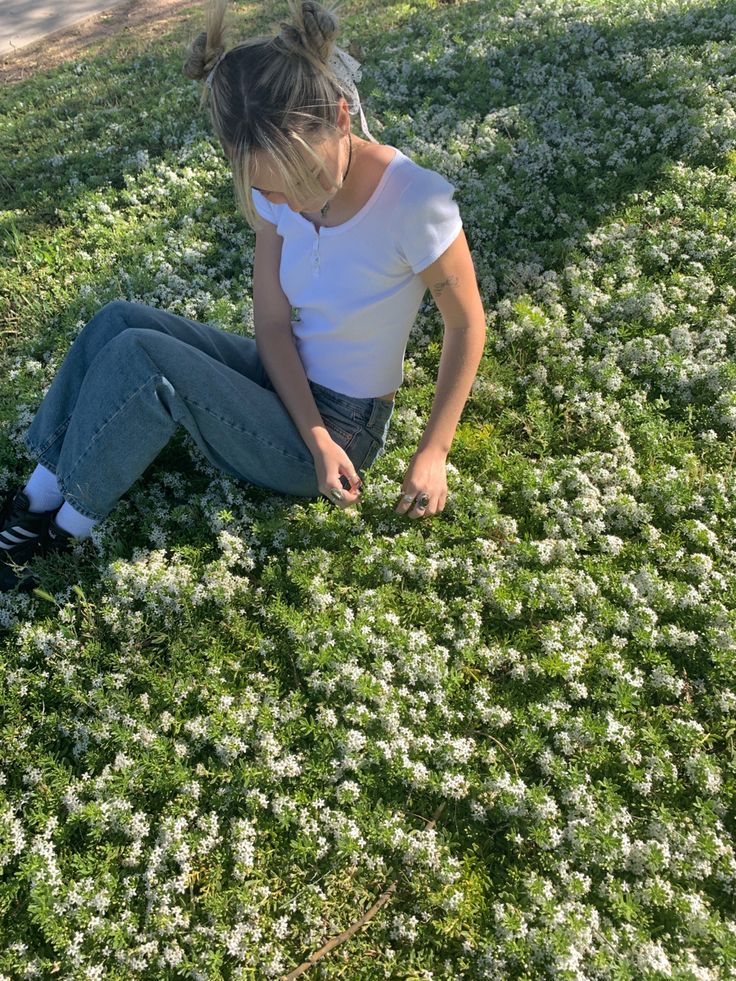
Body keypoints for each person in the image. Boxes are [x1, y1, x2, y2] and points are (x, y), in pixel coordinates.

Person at [0, 0, 486, 592]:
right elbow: (274, 326)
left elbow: (466, 325)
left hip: (347, 433)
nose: (288, 204)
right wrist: (310, 429)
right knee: (117, 320)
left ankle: (61, 532)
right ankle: (35, 494)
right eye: (265, 188)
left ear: (339, 117)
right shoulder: (275, 197)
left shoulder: (416, 202)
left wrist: (431, 450)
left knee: (146, 361)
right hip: (284, 387)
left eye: (301, 181)